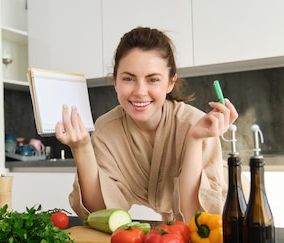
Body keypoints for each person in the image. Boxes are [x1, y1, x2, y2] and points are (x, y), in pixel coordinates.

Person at [55, 26, 238, 223]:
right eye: (128, 78)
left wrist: (194, 140)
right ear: (115, 81)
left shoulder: (195, 125)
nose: (140, 91)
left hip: (233, 207)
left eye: (152, 80)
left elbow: (197, 218)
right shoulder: (107, 129)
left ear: (170, 83)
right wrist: (81, 148)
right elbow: (100, 212)